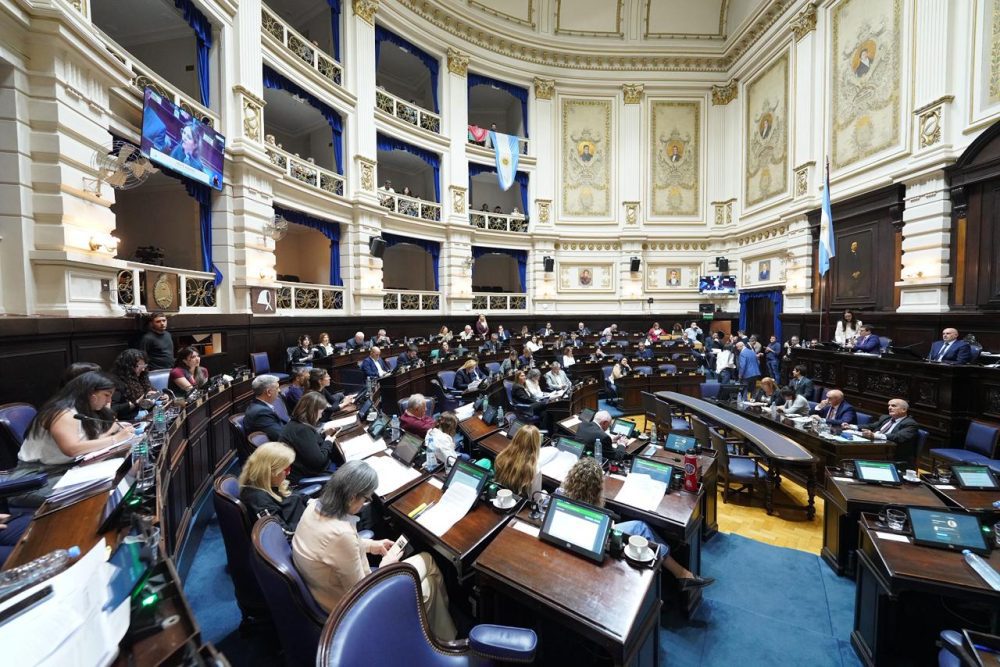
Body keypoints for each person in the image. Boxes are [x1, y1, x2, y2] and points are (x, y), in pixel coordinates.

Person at [292, 461, 457, 639]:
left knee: (428, 574)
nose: (365, 504)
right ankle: (442, 638)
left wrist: (371, 545)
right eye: (365, 499)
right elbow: (362, 593)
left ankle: (440, 636)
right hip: (350, 611)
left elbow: (330, 549)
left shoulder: (314, 506)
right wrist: (385, 566)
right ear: (352, 497)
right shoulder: (341, 535)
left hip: (325, 595)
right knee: (429, 572)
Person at [561, 457, 713, 588]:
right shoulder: (594, 510)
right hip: (594, 538)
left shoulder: (560, 494)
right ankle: (682, 574)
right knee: (640, 527)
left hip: (573, 535)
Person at [17, 372, 135, 502]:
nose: (108, 401)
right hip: (36, 478)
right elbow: (72, 449)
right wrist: (116, 438)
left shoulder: (80, 410)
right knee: (101, 489)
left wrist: (111, 432)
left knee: (117, 473)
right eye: (106, 395)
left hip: (61, 469)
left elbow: (85, 443)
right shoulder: (62, 413)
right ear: (90, 393)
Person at [238, 442, 307, 531]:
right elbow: (282, 534)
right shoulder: (259, 500)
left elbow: (292, 493)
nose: (289, 473)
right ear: (270, 472)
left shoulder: (271, 484)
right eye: (286, 469)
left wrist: (309, 501)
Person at [280, 392, 338, 482]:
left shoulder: (296, 423)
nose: (321, 416)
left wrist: (324, 435)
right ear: (313, 411)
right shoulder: (301, 430)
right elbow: (319, 461)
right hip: (311, 475)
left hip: (310, 470)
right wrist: (328, 441)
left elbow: (309, 444)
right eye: (321, 412)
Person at [848, 399, 920, 465]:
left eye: (893, 406)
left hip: (892, 454)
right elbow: (871, 426)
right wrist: (852, 426)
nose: (889, 408)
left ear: (904, 410)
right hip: (874, 447)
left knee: (854, 453)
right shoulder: (886, 418)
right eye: (889, 405)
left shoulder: (910, 424)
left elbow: (899, 437)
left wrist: (874, 435)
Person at [494, 424, 542, 497]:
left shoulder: (501, 457)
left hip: (500, 496)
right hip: (519, 503)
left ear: (516, 438)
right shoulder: (534, 469)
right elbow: (536, 498)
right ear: (535, 444)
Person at [109, 349, 155, 420]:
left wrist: (162, 395)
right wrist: (136, 402)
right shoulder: (117, 382)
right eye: (139, 366)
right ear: (129, 367)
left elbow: (151, 390)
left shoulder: (141, 376)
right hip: (129, 418)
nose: (143, 369)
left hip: (146, 412)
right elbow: (113, 408)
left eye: (144, 365)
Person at [244, 375, 288, 441]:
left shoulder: (258, 405)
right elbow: (280, 437)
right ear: (269, 392)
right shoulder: (261, 413)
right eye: (277, 388)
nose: (279, 391)